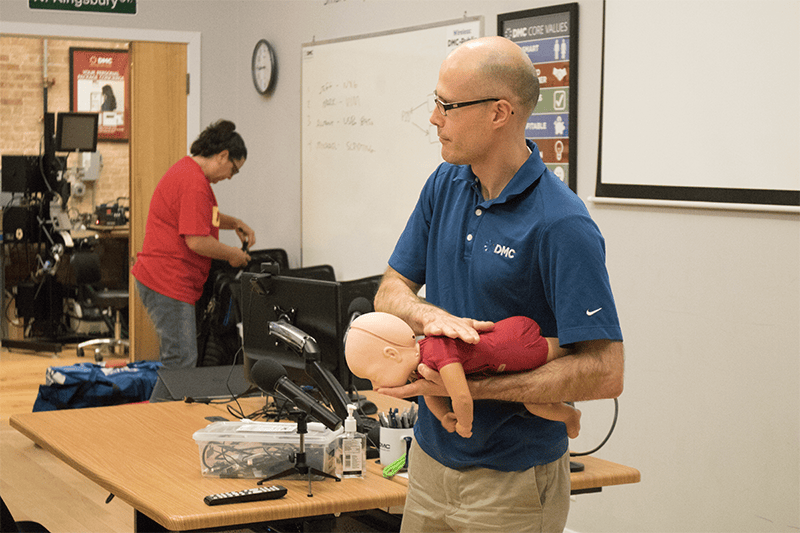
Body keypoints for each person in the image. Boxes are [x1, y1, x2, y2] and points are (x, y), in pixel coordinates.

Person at [373, 36, 624, 533]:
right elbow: (390, 291)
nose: (433, 117)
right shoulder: (444, 184)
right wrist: (428, 316)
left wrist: (479, 386)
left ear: (499, 113)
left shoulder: (561, 223)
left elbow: (605, 371)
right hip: (427, 465)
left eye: (446, 105)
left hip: (513, 483)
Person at [132, 119, 255, 395]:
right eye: (233, 169)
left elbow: (202, 218)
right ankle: (155, 427)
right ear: (223, 156)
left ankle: (159, 425)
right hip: (168, 283)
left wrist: (233, 223)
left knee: (180, 361)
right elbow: (197, 240)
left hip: (168, 282)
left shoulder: (190, 175)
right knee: (180, 363)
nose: (230, 176)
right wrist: (233, 255)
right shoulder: (193, 183)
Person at [345, 312, 581, 438]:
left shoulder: (438, 350)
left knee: (559, 358)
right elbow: (431, 391)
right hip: (505, 355)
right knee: (534, 398)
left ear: (392, 354)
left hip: (517, 345)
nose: (375, 387)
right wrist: (443, 415)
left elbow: (462, 396)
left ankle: (570, 415)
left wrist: (465, 424)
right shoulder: (421, 365)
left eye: (374, 376)